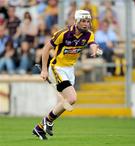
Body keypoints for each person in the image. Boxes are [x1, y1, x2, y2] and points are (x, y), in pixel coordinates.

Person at [32, 10, 101, 140]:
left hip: (70, 69)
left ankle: (40, 127)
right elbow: (46, 48)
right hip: (57, 68)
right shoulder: (63, 34)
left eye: (88, 21)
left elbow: (92, 44)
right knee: (72, 98)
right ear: (76, 21)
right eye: (83, 21)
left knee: (66, 102)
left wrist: (94, 50)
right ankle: (48, 121)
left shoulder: (88, 35)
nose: (86, 24)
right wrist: (44, 70)